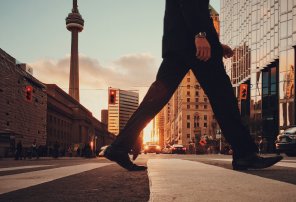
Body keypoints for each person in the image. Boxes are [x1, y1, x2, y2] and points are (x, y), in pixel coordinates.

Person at [105, 0, 282, 171]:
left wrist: (216, 45)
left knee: (156, 99)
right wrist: (200, 34)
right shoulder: (198, 35)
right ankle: (245, 153)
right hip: (192, 44)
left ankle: (120, 146)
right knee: (223, 97)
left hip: (179, 44)